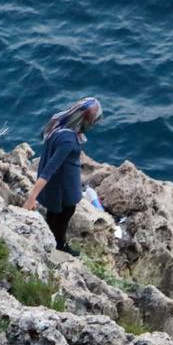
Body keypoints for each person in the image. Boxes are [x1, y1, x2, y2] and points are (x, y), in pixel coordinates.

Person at [22, 97, 103, 256]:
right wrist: (31, 198)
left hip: (55, 186)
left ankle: (52, 239)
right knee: (64, 214)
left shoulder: (58, 123)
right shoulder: (69, 141)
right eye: (93, 121)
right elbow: (50, 169)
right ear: (86, 120)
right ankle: (59, 246)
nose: (93, 125)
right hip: (63, 188)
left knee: (53, 213)